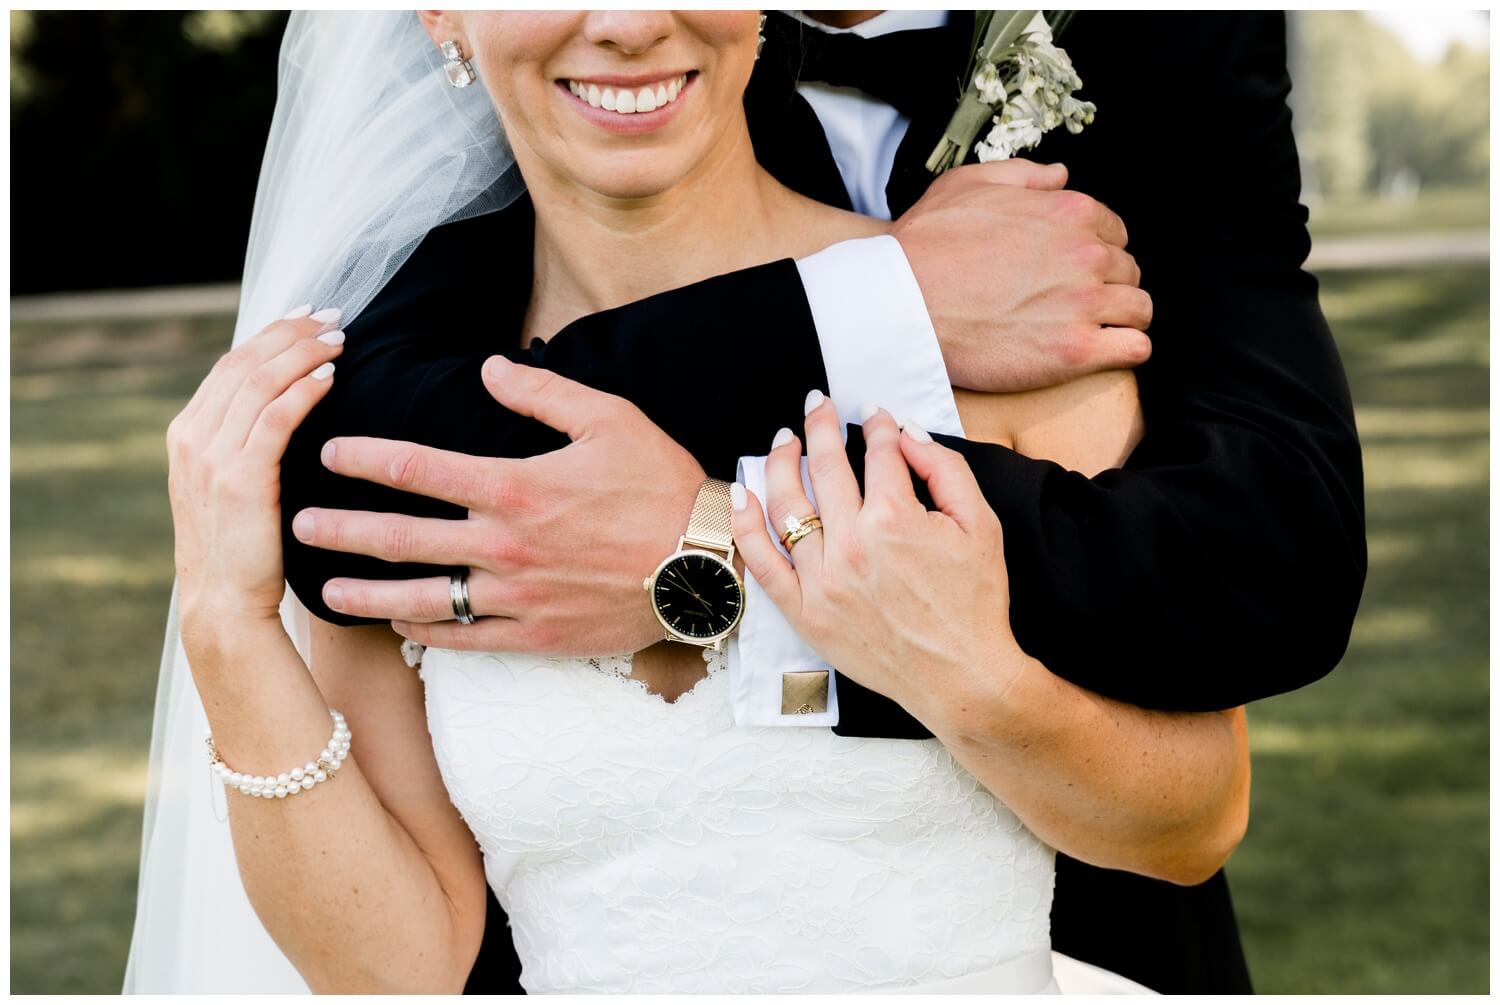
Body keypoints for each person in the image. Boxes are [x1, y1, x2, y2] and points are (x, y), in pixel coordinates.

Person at [135, 10, 1257, 995]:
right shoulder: (391, 451)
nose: (628, 21)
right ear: (442, 14)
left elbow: (1190, 820)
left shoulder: (1006, 322)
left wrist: (918, 649)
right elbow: (396, 973)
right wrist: (226, 627)